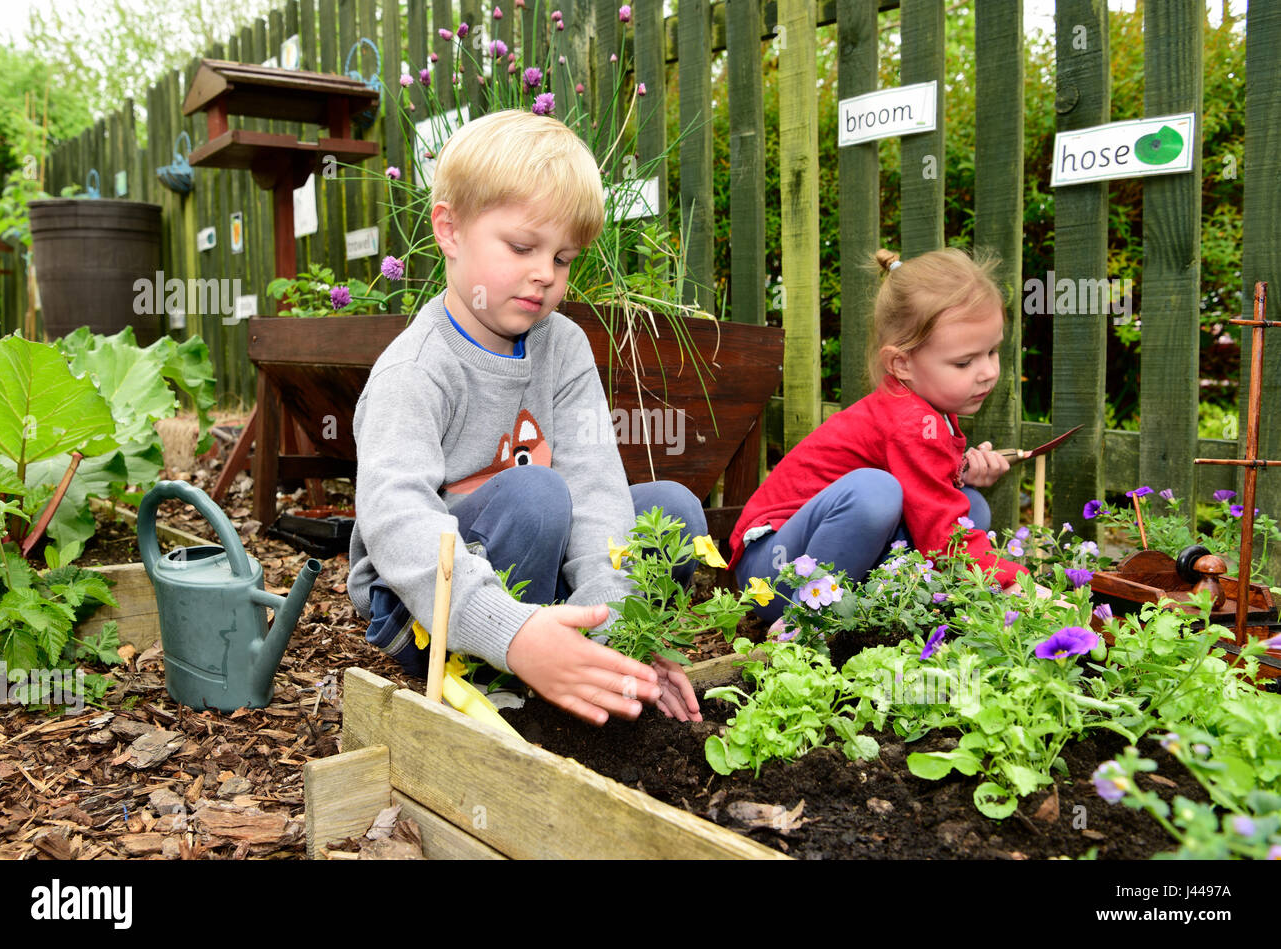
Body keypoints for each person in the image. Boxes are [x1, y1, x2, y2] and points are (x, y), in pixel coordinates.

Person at [347, 109, 705, 724]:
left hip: (533, 573)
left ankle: (569, 656)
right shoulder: (416, 369)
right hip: (425, 609)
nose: (545, 274)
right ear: (450, 230)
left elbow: (596, 490)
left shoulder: (561, 345)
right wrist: (513, 633)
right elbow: (396, 519)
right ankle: (507, 673)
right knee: (538, 493)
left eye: (563, 259)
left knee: (674, 512)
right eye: (521, 247)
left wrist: (614, 644)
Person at [730, 247, 1032, 624]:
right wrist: (1013, 584)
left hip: (815, 555)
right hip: (774, 575)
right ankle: (804, 625)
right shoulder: (910, 420)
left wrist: (958, 470)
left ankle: (886, 605)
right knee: (877, 493)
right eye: (964, 362)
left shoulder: (927, 409)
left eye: (993, 351)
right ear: (901, 363)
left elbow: (929, 496)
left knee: (971, 507)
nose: (988, 371)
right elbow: (936, 526)